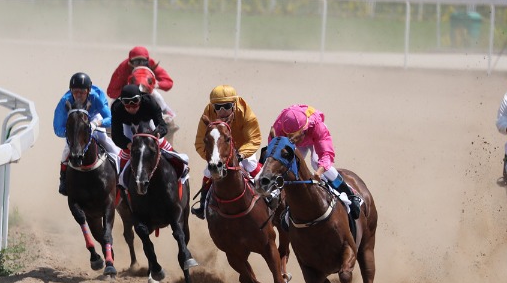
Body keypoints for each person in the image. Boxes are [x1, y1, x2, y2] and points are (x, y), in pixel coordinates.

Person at [269, 104, 361, 219]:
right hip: (298, 133)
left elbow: (327, 154)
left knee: (316, 162)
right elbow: (274, 151)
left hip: (314, 139)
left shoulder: (318, 127)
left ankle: (350, 193)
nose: (294, 140)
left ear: (304, 129)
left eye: (295, 137)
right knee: (287, 163)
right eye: (290, 137)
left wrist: (319, 172)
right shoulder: (280, 128)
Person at [191, 84, 264, 219]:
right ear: (213, 107)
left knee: (250, 164)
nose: (222, 111)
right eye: (218, 107)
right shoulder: (207, 114)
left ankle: (271, 195)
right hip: (219, 151)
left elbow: (254, 139)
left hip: (242, 148)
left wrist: (241, 154)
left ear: (234, 104)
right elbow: (200, 142)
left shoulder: (246, 113)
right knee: (208, 171)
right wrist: (212, 156)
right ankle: (202, 205)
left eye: (227, 106)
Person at [53, 72, 121, 196]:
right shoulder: (65, 101)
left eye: (82, 92)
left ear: (88, 91)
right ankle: (63, 180)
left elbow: (111, 119)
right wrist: (72, 132)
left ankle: (121, 180)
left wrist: (97, 123)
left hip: (94, 117)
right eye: (75, 92)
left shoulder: (96, 96)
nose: (78, 95)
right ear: (71, 91)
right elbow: (57, 128)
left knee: (106, 141)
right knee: (67, 150)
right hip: (74, 122)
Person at [110, 84, 189, 189]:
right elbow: (116, 135)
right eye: (127, 104)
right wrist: (128, 145)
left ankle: (182, 167)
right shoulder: (117, 108)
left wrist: (157, 134)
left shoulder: (149, 102)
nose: (131, 107)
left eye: (135, 102)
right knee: (125, 153)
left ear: (141, 99)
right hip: (128, 127)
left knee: (162, 143)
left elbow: (162, 125)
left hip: (148, 125)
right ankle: (120, 184)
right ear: (121, 102)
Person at [107, 46, 179, 142]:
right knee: (114, 104)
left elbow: (169, 82)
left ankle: (166, 115)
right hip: (128, 99)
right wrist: (128, 91)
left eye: (143, 61)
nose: (140, 64)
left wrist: (157, 84)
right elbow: (111, 91)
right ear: (130, 62)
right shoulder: (123, 68)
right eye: (136, 62)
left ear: (148, 61)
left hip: (147, 94)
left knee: (156, 95)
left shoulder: (152, 64)